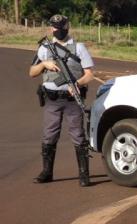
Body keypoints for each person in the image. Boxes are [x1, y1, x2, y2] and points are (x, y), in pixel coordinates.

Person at [29, 14, 94, 186]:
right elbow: (32, 72)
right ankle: (47, 172)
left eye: (60, 27)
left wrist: (77, 84)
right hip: (52, 99)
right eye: (54, 28)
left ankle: (83, 174)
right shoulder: (44, 49)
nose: (57, 30)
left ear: (67, 27)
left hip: (72, 100)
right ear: (51, 28)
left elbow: (89, 75)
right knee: (49, 135)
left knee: (78, 136)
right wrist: (44, 65)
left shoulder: (79, 48)